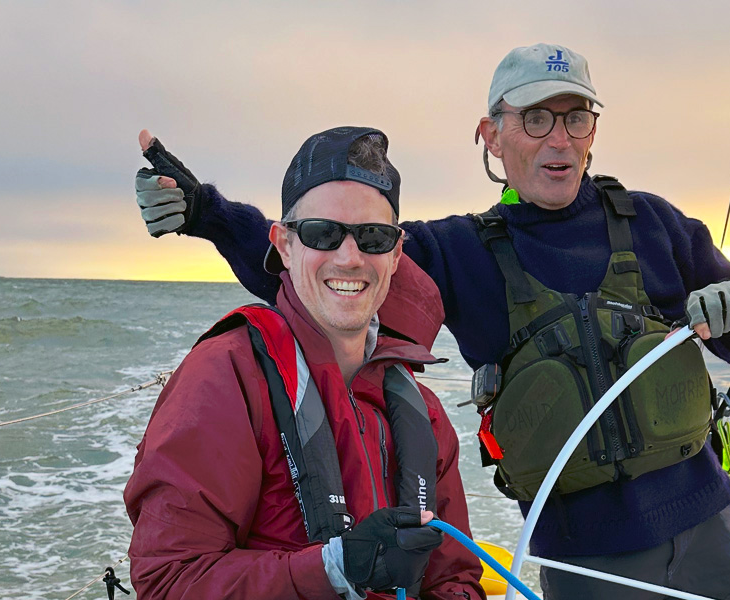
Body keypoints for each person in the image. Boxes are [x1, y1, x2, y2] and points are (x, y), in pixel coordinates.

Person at [135, 44, 730, 600]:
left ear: (594, 129)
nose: (559, 139)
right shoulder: (458, 251)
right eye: (534, 119)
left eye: (576, 116)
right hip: (584, 558)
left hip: (711, 531)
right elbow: (332, 262)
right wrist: (207, 213)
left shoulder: (655, 222)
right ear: (491, 135)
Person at [124, 126, 484, 600]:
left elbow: (454, 578)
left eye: (373, 237)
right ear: (284, 245)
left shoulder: (425, 413)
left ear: (396, 255)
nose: (350, 258)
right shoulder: (224, 379)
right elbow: (169, 582)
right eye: (323, 233)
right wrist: (332, 568)